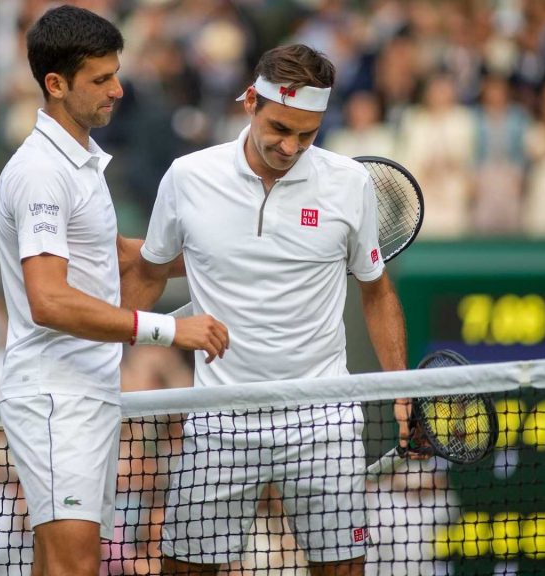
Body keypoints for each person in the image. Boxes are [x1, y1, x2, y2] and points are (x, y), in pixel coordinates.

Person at [124, 44, 412, 576]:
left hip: (324, 419)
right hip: (218, 421)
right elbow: (148, 270)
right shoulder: (188, 177)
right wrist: (105, 355)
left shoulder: (350, 184)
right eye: (280, 128)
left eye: (307, 134)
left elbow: (376, 289)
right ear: (251, 102)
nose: (291, 146)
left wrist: (402, 388)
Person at [0, 6, 229, 576]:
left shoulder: (78, 166)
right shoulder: (41, 174)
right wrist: (171, 330)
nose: (118, 89)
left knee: (67, 565)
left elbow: (120, 254)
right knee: (74, 565)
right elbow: (47, 301)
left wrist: (225, 254)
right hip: (56, 397)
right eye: (100, 79)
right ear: (56, 84)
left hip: (86, 393)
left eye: (115, 74)